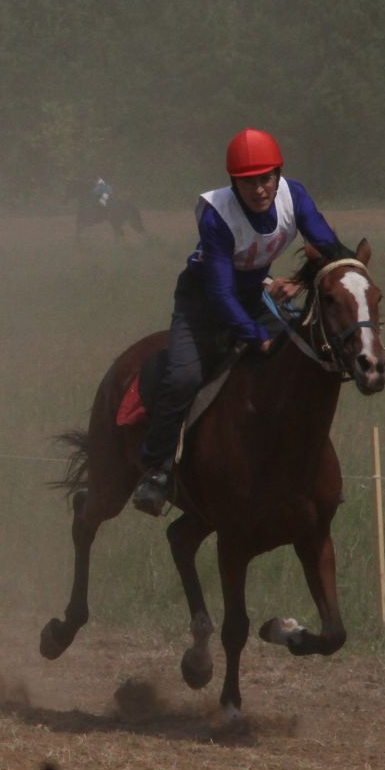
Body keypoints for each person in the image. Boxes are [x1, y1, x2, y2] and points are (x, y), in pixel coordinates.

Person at [131, 128, 348, 515]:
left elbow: (326, 245)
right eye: (248, 181)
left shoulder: (293, 195)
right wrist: (255, 335)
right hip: (201, 305)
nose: (260, 189)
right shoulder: (217, 215)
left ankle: (310, 471)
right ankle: (157, 471)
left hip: (250, 296)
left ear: (278, 174)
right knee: (182, 379)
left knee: (302, 365)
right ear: (234, 182)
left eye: (266, 178)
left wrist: (325, 274)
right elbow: (219, 294)